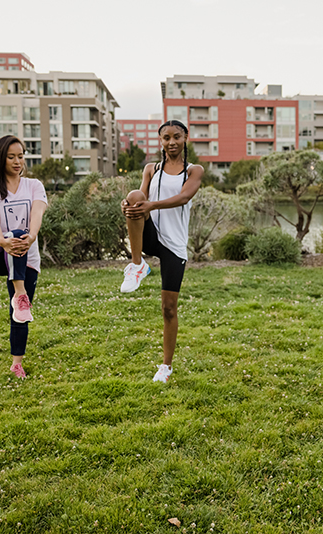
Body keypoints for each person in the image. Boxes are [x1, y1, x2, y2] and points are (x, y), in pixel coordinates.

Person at [120, 119, 203, 383]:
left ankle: (166, 367)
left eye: (176, 137)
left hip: (174, 244)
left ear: (185, 137)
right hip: (151, 235)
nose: (171, 142)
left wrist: (150, 205)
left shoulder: (193, 171)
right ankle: (137, 265)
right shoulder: (151, 169)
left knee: (168, 308)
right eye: (166, 138)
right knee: (133, 196)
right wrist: (130, 207)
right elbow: (141, 199)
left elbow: (183, 198)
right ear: (161, 141)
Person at [0, 135, 47, 380]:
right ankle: (20, 293)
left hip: (28, 256)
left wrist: (33, 235)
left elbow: (37, 212)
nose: (18, 161)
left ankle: (17, 363)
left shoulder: (34, 185)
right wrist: (3, 241)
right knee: (15, 233)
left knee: (21, 314)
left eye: (21, 156)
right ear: (0, 158)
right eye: (11, 157)